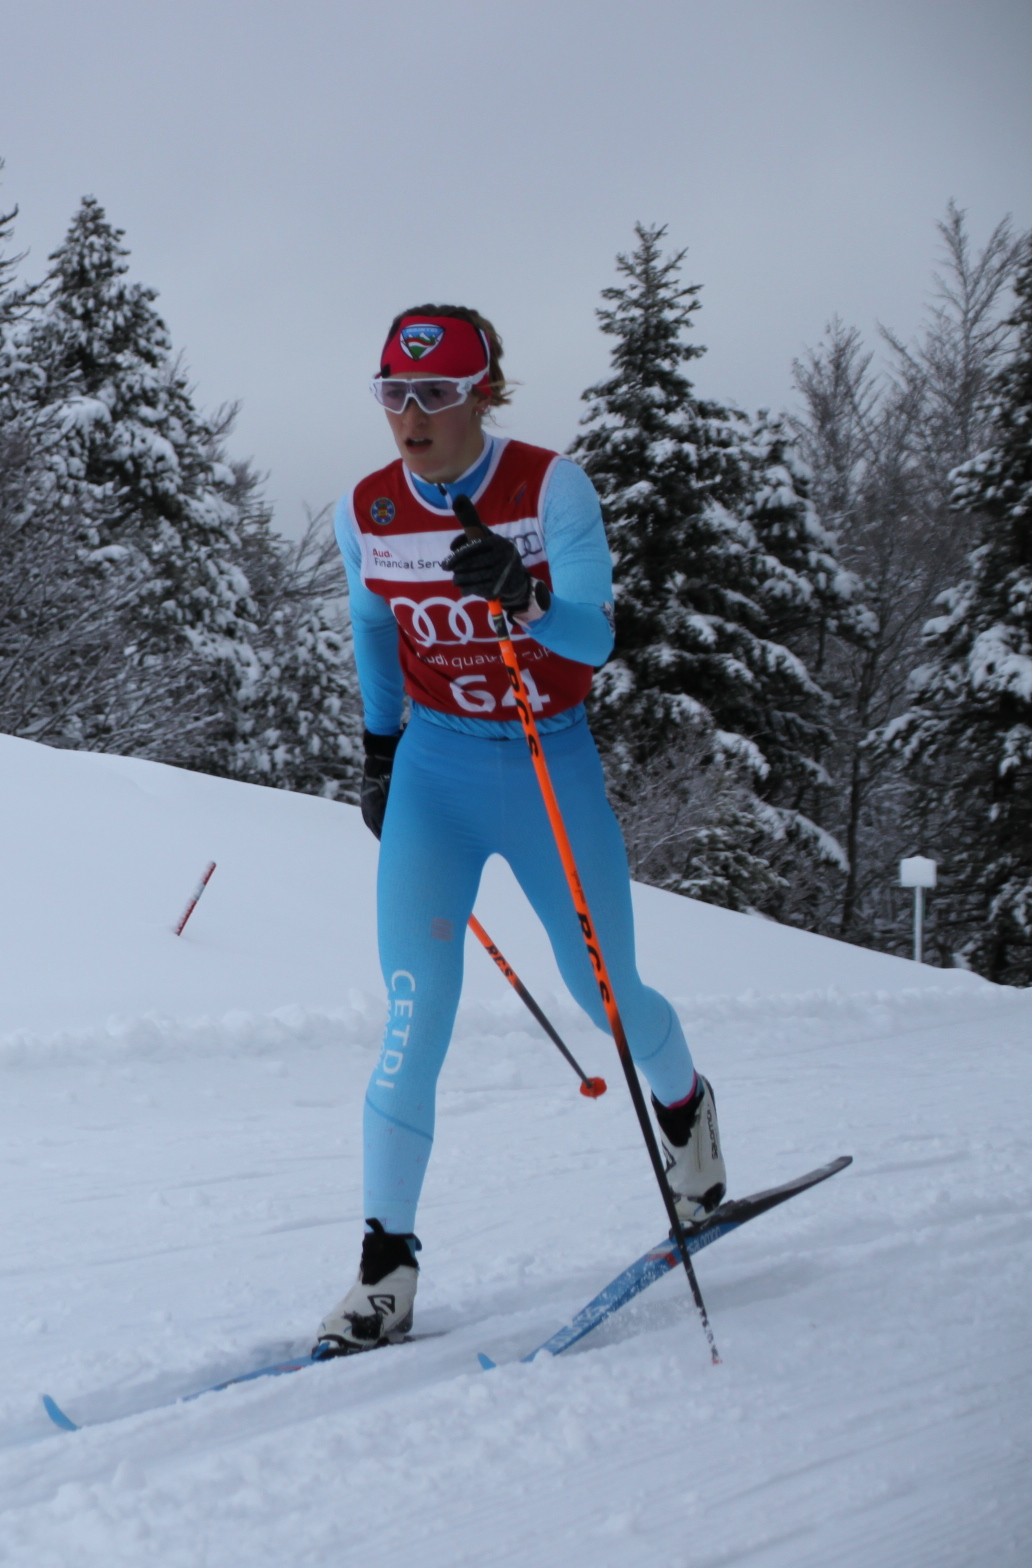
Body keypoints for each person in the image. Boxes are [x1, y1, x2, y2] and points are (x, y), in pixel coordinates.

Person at [314, 306, 726, 1358]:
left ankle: (686, 1110)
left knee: (604, 991)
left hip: (549, 762)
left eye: (435, 394)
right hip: (436, 772)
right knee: (414, 1015)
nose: (411, 415)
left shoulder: (550, 488)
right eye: (393, 394)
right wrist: (377, 751)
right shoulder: (366, 508)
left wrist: (529, 597)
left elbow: (594, 639)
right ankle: (384, 1268)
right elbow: (371, 624)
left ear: (483, 393)